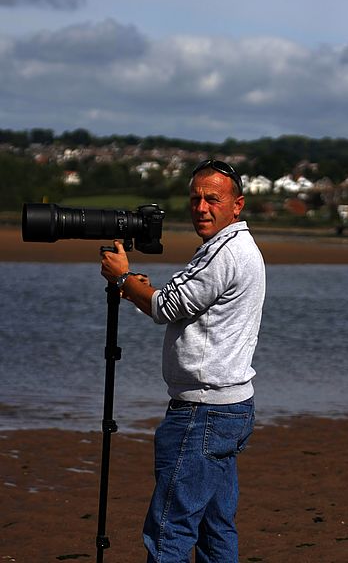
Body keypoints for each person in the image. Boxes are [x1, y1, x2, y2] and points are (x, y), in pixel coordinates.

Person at [100, 159, 266, 562]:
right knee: (215, 527)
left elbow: (165, 306)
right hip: (229, 407)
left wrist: (123, 279)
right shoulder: (235, 248)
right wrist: (135, 288)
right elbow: (176, 304)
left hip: (203, 412)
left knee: (168, 528)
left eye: (213, 199)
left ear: (237, 205)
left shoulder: (225, 253)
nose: (202, 208)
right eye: (195, 199)